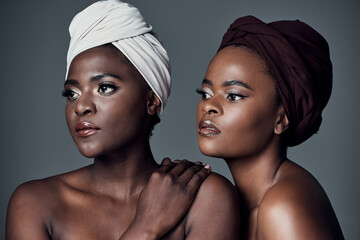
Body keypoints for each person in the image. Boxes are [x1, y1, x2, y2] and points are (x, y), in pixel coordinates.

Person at [5, 1, 240, 239]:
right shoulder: (35, 204)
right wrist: (146, 226)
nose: (82, 106)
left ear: (151, 102)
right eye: (72, 94)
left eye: (105, 88)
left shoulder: (203, 197)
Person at [195, 16, 344, 239]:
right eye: (206, 94)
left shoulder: (283, 206)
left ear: (281, 119)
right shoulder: (234, 205)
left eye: (233, 96)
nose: (209, 106)